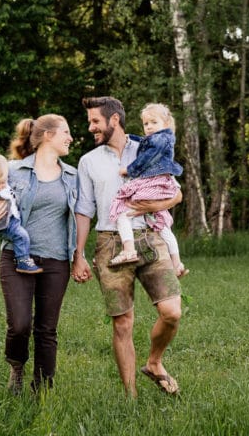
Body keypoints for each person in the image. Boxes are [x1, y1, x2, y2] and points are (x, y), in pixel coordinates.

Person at [72, 96, 183, 398]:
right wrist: (78, 255)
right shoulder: (88, 162)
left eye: (95, 121)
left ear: (114, 120)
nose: (90, 126)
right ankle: (130, 397)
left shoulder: (147, 147)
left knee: (172, 312)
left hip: (149, 235)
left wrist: (158, 203)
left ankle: (154, 363)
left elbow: (176, 193)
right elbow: (84, 209)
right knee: (123, 323)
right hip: (109, 243)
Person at [0, 114, 78, 395]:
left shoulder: (73, 176)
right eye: (66, 132)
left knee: (46, 329)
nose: (71, 138)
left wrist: (80, 256)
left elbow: (82, 218)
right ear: (48, 135)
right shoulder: (13, 171)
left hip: (56, 261)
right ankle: (16, 365)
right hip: (16, 257)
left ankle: (43, 389)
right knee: (19, 324)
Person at [108, 103, 188, 278]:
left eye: (154, 122)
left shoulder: (161, 139)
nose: (149, 126)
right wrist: (133, 137)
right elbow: (147, 143)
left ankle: (128, 250)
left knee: (121, 210)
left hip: (152, 182)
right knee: (162, 225)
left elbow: (147, 156)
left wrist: (130, 169)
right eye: (146, 124)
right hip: (159, 184)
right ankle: (177, 263)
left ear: (166, 123)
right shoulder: (161, 138)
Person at [0, 153, 43, 274]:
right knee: (21, 236)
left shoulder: (1, 179)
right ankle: (23, 261)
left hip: (13, 217)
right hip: (5, 222)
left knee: (22, 235)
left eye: (3, 182)